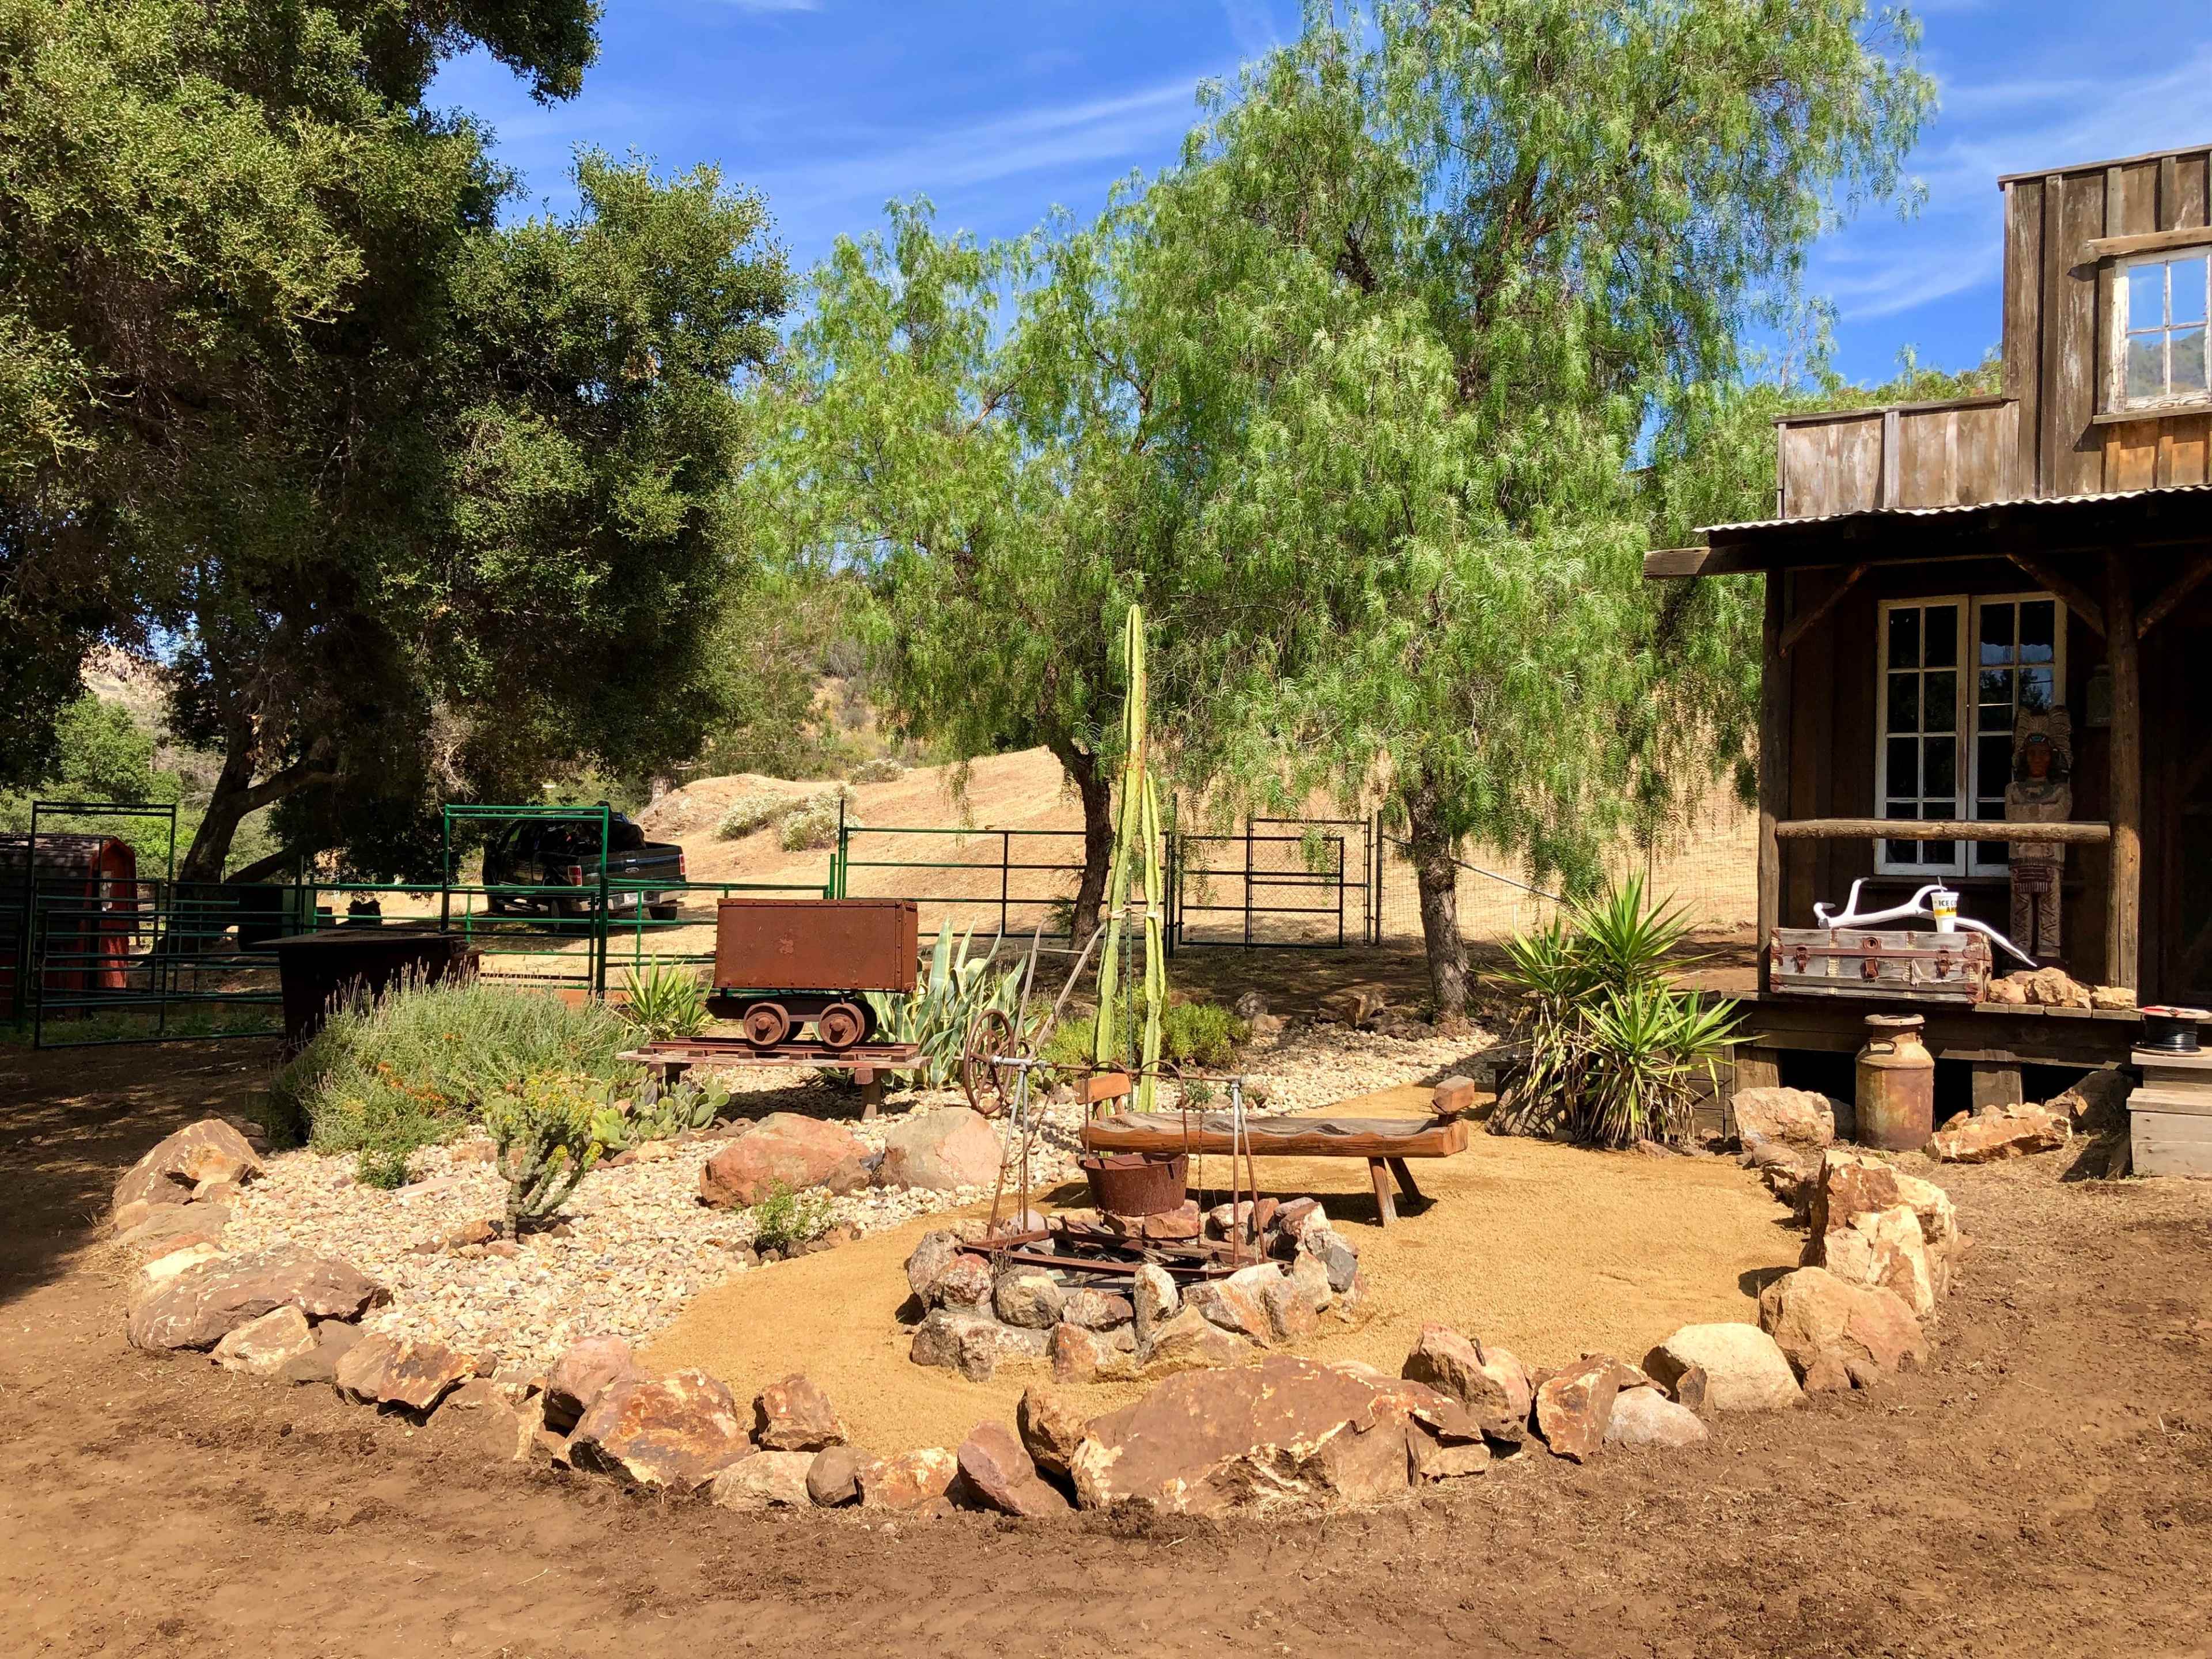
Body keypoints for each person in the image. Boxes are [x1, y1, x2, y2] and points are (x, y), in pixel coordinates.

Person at [2004, 709, 2072, 962]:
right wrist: (2040, 813)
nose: (2037, 759)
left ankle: (2049, 951)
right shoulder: (2013, 790)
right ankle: (2020, 950)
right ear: (2023, 757)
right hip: (2020, 857)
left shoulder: (2061, 791)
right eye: (2032, 754)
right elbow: (2014, 818)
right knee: (2020, 908)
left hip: (2049, 857)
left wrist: (2033, 814)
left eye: (2043, 754)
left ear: (2052, 758)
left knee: (2050, 907)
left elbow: (2058, 816)